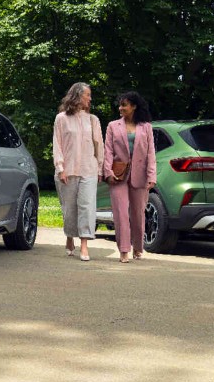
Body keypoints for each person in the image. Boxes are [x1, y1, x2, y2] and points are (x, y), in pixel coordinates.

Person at [52, 82, 105, 261]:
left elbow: (99, 145)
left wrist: (100, 168)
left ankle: (84, 245)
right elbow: (57, 144)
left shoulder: (93, 120)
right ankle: (69, 236)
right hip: (68, 170)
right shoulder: (61, 119)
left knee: (87, 207)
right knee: (69, 209)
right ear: (77, 95)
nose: (90, 98)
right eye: (87, 95)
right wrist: (60, 168)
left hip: (88, 170)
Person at [103, 91, 157, 263]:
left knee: (138, 214)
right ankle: (124, 250)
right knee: (120, 213)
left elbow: (151, 153)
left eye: (124, 105)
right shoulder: (113, 126)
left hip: (140, 176)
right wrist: (108, 172)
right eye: (120, 104)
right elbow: (108, 151)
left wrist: (151, 175)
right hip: (118, 175)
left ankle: (137, 247)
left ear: (134, 106)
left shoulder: (146, 127)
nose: (120, 108)